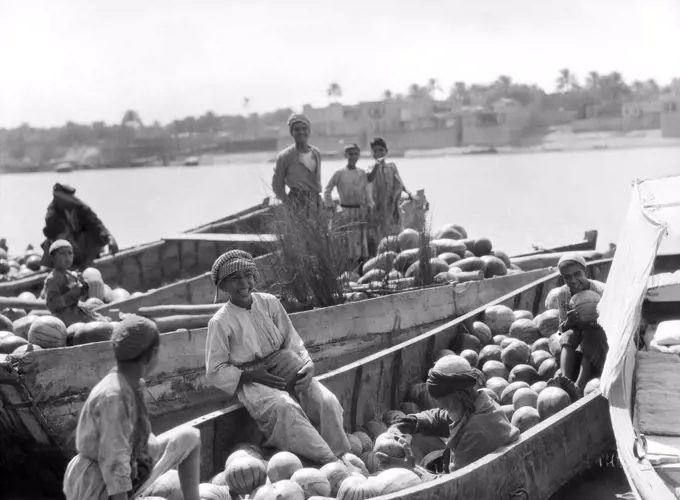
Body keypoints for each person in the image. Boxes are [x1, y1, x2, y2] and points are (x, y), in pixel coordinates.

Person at [205, 250, 350, 464]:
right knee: (284, 408)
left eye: (248, 275)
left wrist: (308, 364)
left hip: (288, 366)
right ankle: (327, 461)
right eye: (235, 279)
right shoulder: (219, 322)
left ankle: (340, 451)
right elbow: (214, 371)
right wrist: (252, 375)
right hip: (252, 381)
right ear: (223, 286)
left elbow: (292, 339)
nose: (244, 283)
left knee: (327, 401)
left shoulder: (270, 303)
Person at [63, 315, 201, 500]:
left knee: (190, 436)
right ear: (150, 355)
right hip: (97, 485)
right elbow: (114, 461)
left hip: (133, 465)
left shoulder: (133, 383)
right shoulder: (114, 396)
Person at [378, 355, 520, 474]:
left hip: (476, 487)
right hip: (469, 470)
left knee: (425, 458)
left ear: (457, 395)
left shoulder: (476, 432)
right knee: (419, 439)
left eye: (441, 400)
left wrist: (411, 469)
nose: (439, 405)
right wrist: (406, 424)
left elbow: (452, 487)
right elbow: (439, 417)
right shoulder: (476, 405)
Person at [553, 253, 607, 391]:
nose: (573, 280)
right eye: (567, 277)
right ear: (563, 278)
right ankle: (565, 380)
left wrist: (596, 321)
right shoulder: (563, 294)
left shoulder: (601, 290)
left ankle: (579, 385)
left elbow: (612, 323)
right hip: (576, 336)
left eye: (577, 274)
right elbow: (561, 329)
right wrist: (569, 322)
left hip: (599, 337)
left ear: (586, 272)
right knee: (568, 335)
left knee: (590, 336)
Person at [41, 183, 119, 271]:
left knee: (93, 238)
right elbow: (56, 233)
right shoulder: (52, 213)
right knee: (55, 243)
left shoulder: (81, 207)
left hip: (81, 245)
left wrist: (109, 238)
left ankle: (88, 263)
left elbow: (96, 224)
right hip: (65, 247)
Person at [323, 143, 375, 268]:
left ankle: (362, 268)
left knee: (362, 242)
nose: (353, 156)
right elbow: (327, 190)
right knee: (347, 241)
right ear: (345, 155)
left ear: (359, 155)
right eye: (350, 154)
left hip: (360, 211)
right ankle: (348, 267)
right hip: (345, 211)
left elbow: (367, 192)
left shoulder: (362, 173)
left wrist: (370, 207)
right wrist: (330, 205)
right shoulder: (339, 173)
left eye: (356, 154)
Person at [42, 240, 109, 327]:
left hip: (76, 309)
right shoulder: (52, 279)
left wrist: (82, 284)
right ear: (53, 258)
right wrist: (69, 295)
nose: (67, 257)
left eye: (70, 253)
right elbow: (51, 305)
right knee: (90, 326)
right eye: (62, 253)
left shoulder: (71, 274)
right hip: (64, 315)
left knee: (99, 319)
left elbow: (82, 293)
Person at [367, 138, 414, 251]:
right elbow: (369, 177)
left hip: (392, 205)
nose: (378, 153)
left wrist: (408, 193)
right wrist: (377, 165)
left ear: (386, 151)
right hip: (379, 207)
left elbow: (399, 182)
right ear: (372, 153)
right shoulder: (371, 167)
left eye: (381, 150)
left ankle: (397, 254)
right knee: (381, 234)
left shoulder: (392, 166)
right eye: (375, 150)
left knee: (396, 231)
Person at [272, 114, 323, 212]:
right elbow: (277, 185)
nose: (301, 132)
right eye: (297, 129)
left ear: (309, 131)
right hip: (297, 202)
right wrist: (288, 203)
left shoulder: (316, 153)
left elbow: (316, 182)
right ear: (292, 132)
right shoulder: (285, 156)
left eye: (304, 129)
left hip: (315, 201)